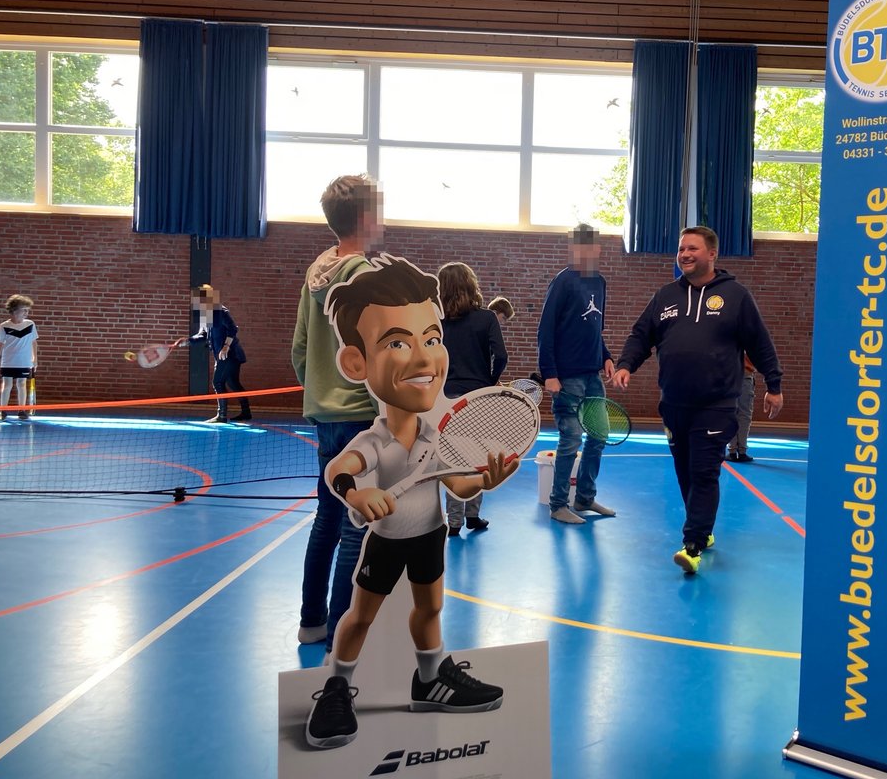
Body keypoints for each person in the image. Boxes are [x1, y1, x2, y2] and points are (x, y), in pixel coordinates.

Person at [304, 255, 518, 750]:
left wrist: (486, 480)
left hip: (429, 535)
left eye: (432, 339)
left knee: (429, 610)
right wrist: (358, 492)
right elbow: (338, 470)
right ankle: (336, 686)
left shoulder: (437, 434)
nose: (424, 359)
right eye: (398, 343)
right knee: (360, 616)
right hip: (387, 542)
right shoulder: (376, 439)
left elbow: (458, 486)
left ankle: (430, 680)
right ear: (356, 363)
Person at [612, 226, 783, 574]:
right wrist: (626, 364)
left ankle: (692, 544)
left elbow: (760, 343)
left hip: (716, 404)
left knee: (704, 472)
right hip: (674, 403)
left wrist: (774, 385)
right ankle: (703, 527)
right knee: (685, 471)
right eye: (681, 249)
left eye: (692, 248)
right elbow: (641, 335)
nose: (685, 254)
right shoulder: (665, 296)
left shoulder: (735, 296)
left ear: (712, 254)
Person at [290, 175, 381, 650]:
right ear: (365, 218)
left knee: (327, 516)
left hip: (325, 417)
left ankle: (312, 622)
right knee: (355, 526)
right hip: (362, 416)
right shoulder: (366, 274)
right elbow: (379, 352)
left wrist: (322, 391)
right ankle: (341, 639)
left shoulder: (316, 271)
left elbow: (300, 349)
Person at [537, 224, 616, 524]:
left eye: (589, 246)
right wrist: (549, 374)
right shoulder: (563, 282)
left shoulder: (600, 282)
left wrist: (606, 356)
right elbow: (546, 330)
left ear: (597, 249)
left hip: (593, 375)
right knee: (571, 439)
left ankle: (584, 497)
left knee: (599, 435)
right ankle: (558, 504)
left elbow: (595, 327)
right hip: (567, 377)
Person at [436, 261, 507, 537]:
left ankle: (454, 522)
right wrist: (489, 380)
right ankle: (472, 515)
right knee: (478, 457)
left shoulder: (436, 321)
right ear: (471, 284)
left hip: (446, 397)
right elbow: (501, 356)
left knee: (453, 460)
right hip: (479, 396)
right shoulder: (486, 318)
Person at [186, 284, 252, 424]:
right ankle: (246, 412)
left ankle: (221, 416)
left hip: (230, 354)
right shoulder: (205, 316)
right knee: (233, 383)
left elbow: (233, 329)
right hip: (221, 355)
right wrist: (188, 341)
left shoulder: (220, 312)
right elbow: (203, 335)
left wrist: (226, 346)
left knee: (218, 382)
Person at [0, 294, 38, 422]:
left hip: (24, 361)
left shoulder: (30, 324)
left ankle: (21, 410)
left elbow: (34, 342)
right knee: (7, 384)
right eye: (24, 310)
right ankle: (2, 411)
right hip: (8, 361)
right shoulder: (4, 326)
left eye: (27, 310)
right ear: (14, 311)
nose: (26, 313)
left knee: (21, 384)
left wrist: (35, 359)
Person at [726, 354, 756, 462]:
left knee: (731, 414)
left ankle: (732, 451)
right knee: (744, 416)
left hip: (729, 375)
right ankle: (741, 451)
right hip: (744, 375)